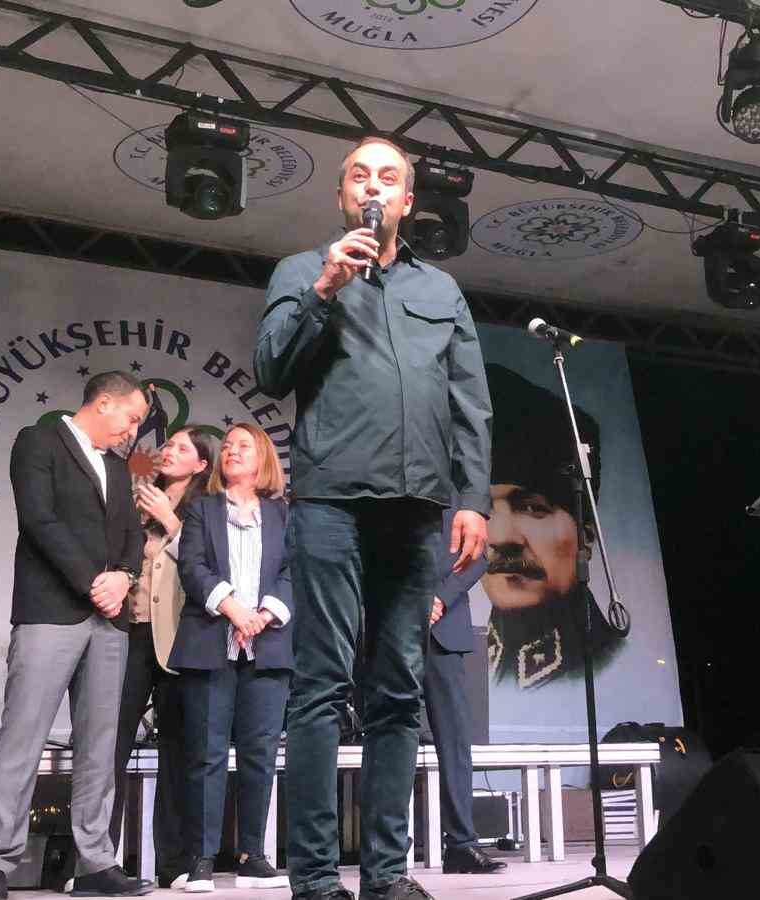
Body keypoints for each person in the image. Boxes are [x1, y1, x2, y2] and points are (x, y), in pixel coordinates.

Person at [254, 135, 492, 900]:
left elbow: (470, 403)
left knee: (398, 692)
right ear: (342, 195)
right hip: (330, 502)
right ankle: (315, 880)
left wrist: (474, 500)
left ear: (408, 201)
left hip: (417, 511)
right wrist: (325, 288)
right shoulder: (302, 270)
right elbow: (270, 369)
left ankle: (388, 876)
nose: (373, 186)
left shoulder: (441, 291)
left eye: (389, 177)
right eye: (360, 175)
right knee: (321, 687)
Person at [0, 371, 151, 900]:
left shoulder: (116, 468)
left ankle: (96, 862)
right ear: (104, 403)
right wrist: (95, 582)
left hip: (109, 621)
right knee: (22, 738)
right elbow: (39, 520)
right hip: (51, 611)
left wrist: (124, 576)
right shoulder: (38, 441)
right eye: (132, 418)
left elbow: (132, 535)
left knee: (99, 745)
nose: (133, 430)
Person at [170, 423, 294, 893]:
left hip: (268, 643)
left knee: (260, 754)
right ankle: (202, 859)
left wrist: (262, 615)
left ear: (263, 458)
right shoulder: (201, 509)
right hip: (211, 643)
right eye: (227, 446)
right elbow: (192, 566)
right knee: (207, 754)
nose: (232, 451)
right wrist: (233, 608)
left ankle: (252, 856)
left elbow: (293, 570)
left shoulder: (283, 513)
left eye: (244, 446)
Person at [108, 427, 216, 889]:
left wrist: (171, 522)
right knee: (109, 743)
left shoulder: (206, 509)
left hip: (177, 637)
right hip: (129, 633)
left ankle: (174, 862)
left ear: (201, 465)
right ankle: (95, 858)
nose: (169, 451)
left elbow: (211, 566)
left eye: (182, 448)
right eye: (168, 445)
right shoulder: (137, 499)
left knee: (177, 749)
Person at [481, 364, 627, 690]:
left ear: (585, 537)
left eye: (533, 509)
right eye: (485, 509)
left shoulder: (610, 667)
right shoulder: (470, 670)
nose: (500, 537)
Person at [423, 509, 506, 874]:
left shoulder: (457, 497)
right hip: (393, 623)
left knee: (455, 740)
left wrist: (439, 599)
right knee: (391, 733)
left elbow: (477, 558)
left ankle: (461, 844)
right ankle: (387, 851)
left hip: (444, 626)